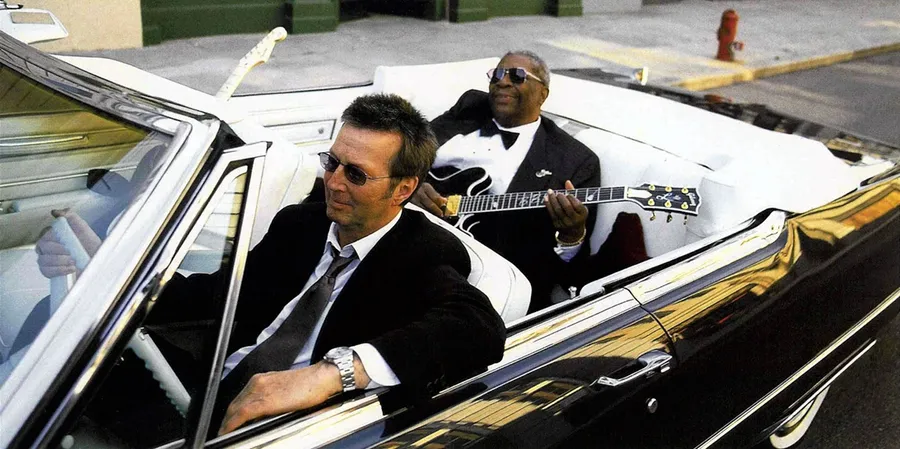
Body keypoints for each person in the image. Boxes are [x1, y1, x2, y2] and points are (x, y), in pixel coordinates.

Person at [37, 93, 506, 436]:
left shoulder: (425, 251)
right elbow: (215, 295)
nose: (333, 183)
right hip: (206, 386)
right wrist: (107, 262)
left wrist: (330, 374)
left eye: (356, 174)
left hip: (287, 427)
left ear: (403, 189)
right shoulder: (300, 224)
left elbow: (478, 326)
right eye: (332, 162)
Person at [412, 51, 602, 312]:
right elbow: (405, 153)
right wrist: (411, 185)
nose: (503, 82)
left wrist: (572, 235)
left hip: (482, 281)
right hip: (412, 236)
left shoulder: (575, 160)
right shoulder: (470, 106)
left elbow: (575, 274)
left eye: (517, 76)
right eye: (497, 75)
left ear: (543, 94)